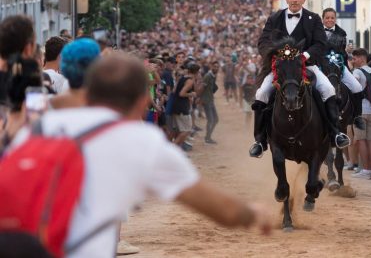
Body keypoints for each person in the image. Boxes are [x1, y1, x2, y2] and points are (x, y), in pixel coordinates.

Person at [7, 54, 272, 257]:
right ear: (142, 100)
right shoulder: (139, 140)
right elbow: (220, 209)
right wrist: (252, 214)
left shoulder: (42, 125)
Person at [249, 0, 349, 158]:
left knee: (328, 89)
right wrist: (274, 55)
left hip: (306, 65)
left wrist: (305, 55)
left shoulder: (314, 19)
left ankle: (335, 133)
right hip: (281, 68)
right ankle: (260, 141)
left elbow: (320, 43)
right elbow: (263, 41)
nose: (295, 0)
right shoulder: (275, 18)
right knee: (262, 93)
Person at [322, 8, 364, 128]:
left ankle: (357, 116)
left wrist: (345, 52)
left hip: (339, 66)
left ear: (335, 19)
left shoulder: (342, 33)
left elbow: (341, 52)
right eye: (327, 17)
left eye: (332, 18)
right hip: (322, 66)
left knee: (357, 87)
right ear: (323, 19)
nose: (330, 20)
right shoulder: (317, 32)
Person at [351, 48, 371, 179]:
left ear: (362, 58)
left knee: (361, 140)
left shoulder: (357, 72)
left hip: (360, 110)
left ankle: (365, 170)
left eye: (355, 58)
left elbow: (353, 88)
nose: (353, 61)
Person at [171, 63, 200, 148]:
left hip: (177, 106)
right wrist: (191, 94)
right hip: (181, 107)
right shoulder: (190, 81)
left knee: (180, 131)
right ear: (197, 72)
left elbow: (174, 91)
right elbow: (181, 93)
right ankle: (172, 148)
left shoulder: (183, 78)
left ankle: (177, 150)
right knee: (186, 130)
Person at [199, 61, 219, 144]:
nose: (216, 68)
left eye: (217, 67)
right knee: (211, 120)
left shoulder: (213, 76)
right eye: (215, 66)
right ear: (211, 66)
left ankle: (208, 137)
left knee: (215, 120)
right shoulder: (208, 76)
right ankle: (207, 138)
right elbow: (202, 88)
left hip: (210, 100)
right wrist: (199, 99)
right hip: (207, 101)